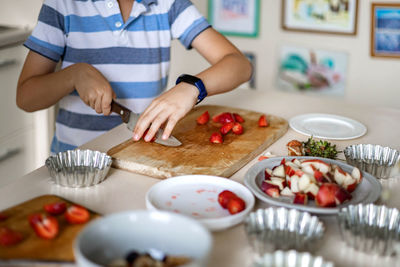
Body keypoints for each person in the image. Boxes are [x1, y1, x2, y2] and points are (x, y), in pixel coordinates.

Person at [17, 0, 252, 153]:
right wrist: (73, 75)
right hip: (75, 162)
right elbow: (26, 97)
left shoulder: (168, 5)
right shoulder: (63, 6)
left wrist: (192, 87)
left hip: (141, 156)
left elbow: (240, 65)